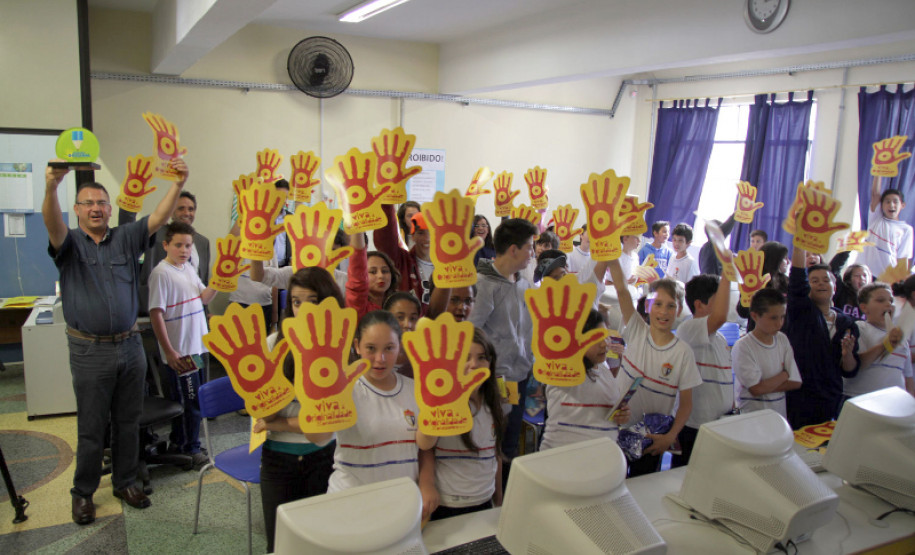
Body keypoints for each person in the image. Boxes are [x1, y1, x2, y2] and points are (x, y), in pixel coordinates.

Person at [43, 158, 189, 524]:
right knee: (92, 427)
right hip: (89, 350)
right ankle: (83, 493)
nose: (95, 208)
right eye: (88, 203)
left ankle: (125, 481)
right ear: (77, 210)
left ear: (110, 209)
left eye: (101, 203)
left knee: (128, 421)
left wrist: (177, 183)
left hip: (129, 345)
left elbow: (157, 218)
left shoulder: (125, 237)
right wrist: (50, 188)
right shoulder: (70, 243)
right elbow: (52, 224)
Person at [303, 310, 438, 520]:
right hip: (350, 506)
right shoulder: (345, 388)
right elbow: (318, 438)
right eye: (371, 348)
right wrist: (320, 400)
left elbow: (424, 447)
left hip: (401, 505)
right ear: (357, 346)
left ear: (399, 346)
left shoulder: (416, 390)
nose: (380, 359)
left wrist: (427, 483)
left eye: (389, 348)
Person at [252, 267, 343, 553]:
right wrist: (274, 420)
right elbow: (264, 415)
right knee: (280, 544)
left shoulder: (339, 347)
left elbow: (325, 424)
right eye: (296, 301)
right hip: (278, 461)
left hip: (324, 458)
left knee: (320, 542)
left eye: (312, 300)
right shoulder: (272, 344)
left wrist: (278, 423)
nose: (303, 309)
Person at [606, 260, 701, 477]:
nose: (663, 311)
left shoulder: (683, 353)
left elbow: (686, 405)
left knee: (641, 488)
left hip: (651, 439)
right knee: (611, 482)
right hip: (615, 428)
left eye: (670, 305)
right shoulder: (637, 331)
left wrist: (670, 437)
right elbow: (621, 290)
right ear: (648, 307)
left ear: (678, 311)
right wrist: (611, 255)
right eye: (658, 304)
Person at [148, 222, 218, 469]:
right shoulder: (161, 273)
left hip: (195, 348)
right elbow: (156, 314)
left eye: (188, 245)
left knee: (193, 397)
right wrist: (169, 351)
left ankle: (182, 442)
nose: (184, 250)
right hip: (180, 352)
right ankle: (191, 448)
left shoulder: (187, 268)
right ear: (166, 245)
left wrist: (221, 279)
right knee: (190, 402)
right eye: (178, 245)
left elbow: (204, 297)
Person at [417, 328, 506, 521]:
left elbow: (495, 453)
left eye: (482, 357)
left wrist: (498, 495)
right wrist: (427, 485)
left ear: (490, 362)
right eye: (465, 357)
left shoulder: (493, 403)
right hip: (448, 503)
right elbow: (424, 446)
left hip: (484, 500)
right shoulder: (444, 402)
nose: (474, 365)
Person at [469, 218, 537, 461]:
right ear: (513, 249)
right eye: (529, 246)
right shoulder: (483, 285)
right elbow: (470, 332)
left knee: (509, 443)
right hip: (495, 380)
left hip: (519, 376)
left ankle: (507, 491)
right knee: (492, 443)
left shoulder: (522, 283)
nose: (533, 252)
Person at [784, 243, 860, 429]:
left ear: (835, 286)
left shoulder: (847, 323)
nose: (821, 283)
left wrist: (847, 354)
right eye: (814, 280)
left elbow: (849, 370)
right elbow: (796, 281)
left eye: (826, 280)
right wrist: (800, 241)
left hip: (830, 397)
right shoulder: (801, 311)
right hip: (799, 396)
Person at [540, 310, 631, 450]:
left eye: (606, 337)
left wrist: (621, 416)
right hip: (564, 459)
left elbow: (603, 414)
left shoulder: (604, 371)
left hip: (600, 459)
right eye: (595, 339)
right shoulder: (563, 371)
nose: (604, 344)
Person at [671, 272, 734, 466]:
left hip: (719, 423)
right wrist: (728, 275)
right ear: (699, 304)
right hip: (695, 425)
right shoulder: (689, 328)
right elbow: (721, 316)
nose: (725, 303)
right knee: (686, 476)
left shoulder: (720, 338)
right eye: (719, 298)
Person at [134, 190, 210, 315]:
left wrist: (206, 312)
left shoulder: (203, 243)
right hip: (162, 311)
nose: (186, 213)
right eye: (181, 208)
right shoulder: (156, 235)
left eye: (190, 209)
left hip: (192, 312)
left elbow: (203, 281)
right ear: (171, 211)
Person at [732, 289, 802, 418]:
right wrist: (785, 374)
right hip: (752, 419)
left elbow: (795, 382)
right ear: (755, 316)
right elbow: (756, 389)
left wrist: (765, 386)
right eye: (773, 318)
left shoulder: (782, 339)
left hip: (779, 418)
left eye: (782, 317)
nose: (779, 323)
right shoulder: (743, 346)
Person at [843, 282, 914, 398]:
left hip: (894, 403)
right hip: (861, 400)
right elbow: (855, 366)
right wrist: (885, 344)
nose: (888, 304)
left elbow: (908, 378)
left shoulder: (901, 338)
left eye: (891, 301)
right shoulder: (859, 328)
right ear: (864, 307)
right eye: (880, 300)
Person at [375, 207, 432, 310]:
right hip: (409, 323)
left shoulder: (448, 266)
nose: (427, 238)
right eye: (421, 233)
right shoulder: (403, 261)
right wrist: (387, 203)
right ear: (413, 236)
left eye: (431, 232)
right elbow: (385, 238)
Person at [860, 181, 912, 278]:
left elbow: (903, 259)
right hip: (864, 274)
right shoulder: (876, 218)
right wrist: (878, 170)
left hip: (886, 277)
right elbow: (875, 194)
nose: (891, 205)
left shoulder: (906, 229)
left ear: (902, 205)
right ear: (882, 205)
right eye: (887, 201)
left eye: (895, 202)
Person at [345, 231, 401, 320]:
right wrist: (357, 228)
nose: (380, 276)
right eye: (373, 272)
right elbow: (357, 269)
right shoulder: (358, 305)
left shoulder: (401, 302)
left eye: (385, 271)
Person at [383, 291, 421, 378]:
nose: (408, 324)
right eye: (400, 317)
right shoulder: (374, 359)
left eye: (413, 318)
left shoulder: (423, 359)